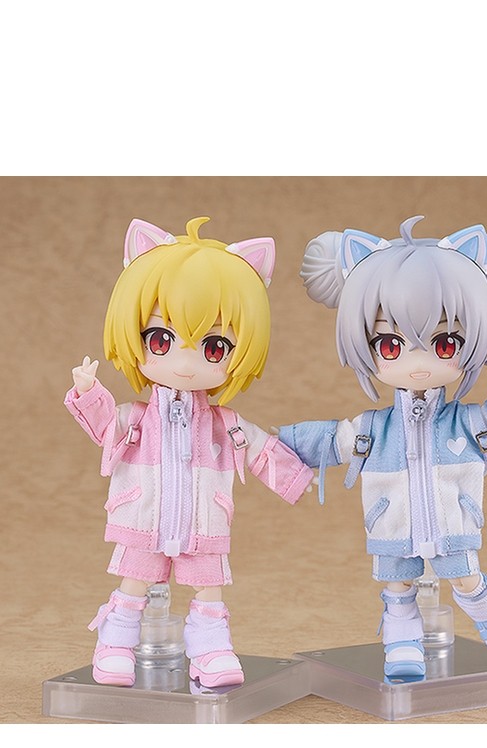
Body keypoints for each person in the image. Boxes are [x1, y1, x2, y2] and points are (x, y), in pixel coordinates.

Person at [278, 216, 487, 678]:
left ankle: (485, 603)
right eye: (391, 345)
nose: (419, 362)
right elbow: (333, 439)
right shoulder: (374, 429)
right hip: (391, 524)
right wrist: (280, 443)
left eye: (445, 343)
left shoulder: (463, 420)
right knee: (398, 589)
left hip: (454, 522)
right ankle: (401, 640)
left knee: (464, 575)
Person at [66, 217, 314, 688]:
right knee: (134, 582)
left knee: (209, 589)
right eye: (161, 340)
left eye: (214, 347)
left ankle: (212, 650)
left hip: (204, 523)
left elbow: (259, 447)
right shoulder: (137, 418)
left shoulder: (223, 423)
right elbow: (105, 428)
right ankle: (115, 643)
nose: (184, 362)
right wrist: (87, 393)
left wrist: (295, 476)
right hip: (143, 517)